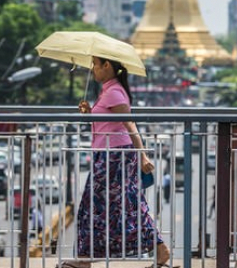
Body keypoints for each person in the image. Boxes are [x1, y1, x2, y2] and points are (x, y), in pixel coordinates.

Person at [65, 56, 172, 268]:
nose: (93, 68)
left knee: (108, 206)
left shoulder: (114, 92)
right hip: (107, 155)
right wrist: (89, 113)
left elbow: (129, 125)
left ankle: (159, 248)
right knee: (115, 206)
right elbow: (107, 125)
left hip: (115, 156)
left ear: (107, 66)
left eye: (95, 64)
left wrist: (142, 155)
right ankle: (158, 248)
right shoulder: (108, 90)